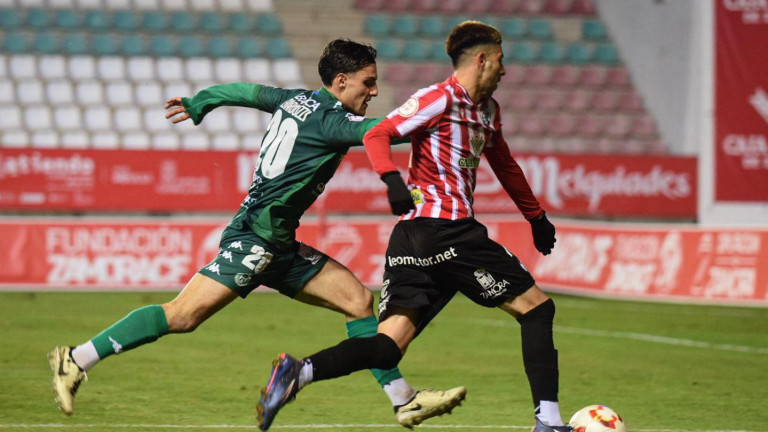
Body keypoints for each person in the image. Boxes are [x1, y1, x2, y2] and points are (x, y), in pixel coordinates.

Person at [47, 38, 465, 430]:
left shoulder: (295, 100)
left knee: (357, 301)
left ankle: (403, 398)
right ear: (341, 82)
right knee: (183, 316)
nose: (372, 91)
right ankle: (77, 358)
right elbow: (384, 130)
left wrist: (201, 102)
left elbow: (246, 92)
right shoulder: (334, 122)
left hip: (277, 243)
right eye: (367, 83)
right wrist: (443, 109)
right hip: (256, 240)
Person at [255, 21, 572, 432]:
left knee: (387, 348)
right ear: (481, 60)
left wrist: (536, 216)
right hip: (447, 230)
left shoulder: (488, 112)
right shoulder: (437, 98)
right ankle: (548, 422)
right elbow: (379, 134)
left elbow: (505, 164)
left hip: (413, 240)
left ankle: (299, 372)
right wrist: (392, 180)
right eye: (500, 60)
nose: (504, 70)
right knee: (537, 309)